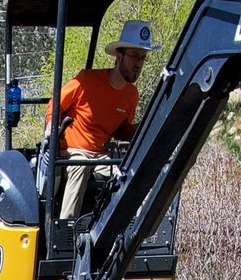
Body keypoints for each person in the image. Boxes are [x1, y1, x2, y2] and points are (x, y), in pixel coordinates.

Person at [43, 19, 159, 220]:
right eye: (134, 57)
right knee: (80, 167)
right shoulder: (86, 81)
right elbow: (56, 104)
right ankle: (65, 230)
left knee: (129, 172)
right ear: (119, 56)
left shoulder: (131, 94)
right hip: (73, 151)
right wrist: (52, 128)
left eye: (142, 58)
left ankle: (131, 229)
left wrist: (145, 129)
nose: (138, 64)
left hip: (101, 155)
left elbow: (121, 130)